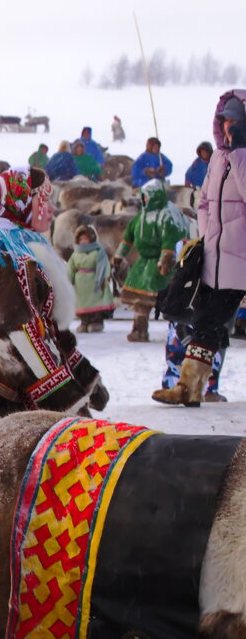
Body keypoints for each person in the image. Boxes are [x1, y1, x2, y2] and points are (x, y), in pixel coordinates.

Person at [152, 91, 246, 405]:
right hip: (217, 255)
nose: (228, 126)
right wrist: (209, 233)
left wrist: (240, 151)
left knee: (210, 320)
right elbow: (204, 199)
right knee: (207, 319)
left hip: (240, 256)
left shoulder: (237, 155)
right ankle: (190, 388)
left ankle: (189, 387)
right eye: (225, 120)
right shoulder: (218, 157)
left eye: (234, 120)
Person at [115, 179, 191, 342]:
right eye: (143, 197)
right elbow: (128, 237)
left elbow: (171, 239)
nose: (144, 200)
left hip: (164, 264)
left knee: (171, 299)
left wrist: (166, 259)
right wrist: (119, 256)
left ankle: (179, 333)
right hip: (144, 263)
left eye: (146, 197)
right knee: (140, 300)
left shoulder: (168, 215)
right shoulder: (141, 216)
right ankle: (139, 329)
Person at [68, 225, 115, 332]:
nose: (83, 241)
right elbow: (70, 268)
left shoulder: (98, 251)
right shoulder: (76, 254)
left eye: (86, 238)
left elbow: (104, 265)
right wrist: (68, 281)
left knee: (96, 302)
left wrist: (102, 279)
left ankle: (97, 321)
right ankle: (85, 322)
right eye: (81, 239)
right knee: (82, 303)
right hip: (80, 285)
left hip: (95, 281)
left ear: (91, 238)